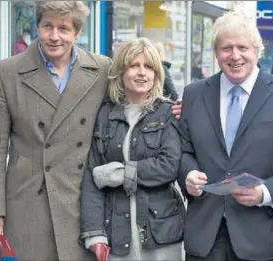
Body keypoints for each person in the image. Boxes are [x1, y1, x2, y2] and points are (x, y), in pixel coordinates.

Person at [0, 1, 110, 260]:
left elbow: (135, 102)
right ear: (37, 26)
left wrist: (177, 107)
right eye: (47, 26)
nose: (54, 36)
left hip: (82, 203)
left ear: (77, 32)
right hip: (27, 203)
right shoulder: (6, 72)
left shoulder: (102, 69)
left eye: (63, 28)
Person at [178, 7, 273, 261]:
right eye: (226, 48)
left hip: (261, 238)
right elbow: (182, 150)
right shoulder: (194, 94)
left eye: (243, 48)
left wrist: (265, 192)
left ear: (257, 51)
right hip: (205, 240)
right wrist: (188, 174)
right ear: (216, 53)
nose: (235, 56)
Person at [79, 37, 184, 261]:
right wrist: (94, 234)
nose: (141, 73)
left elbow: (169, 166)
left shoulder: (167, 113)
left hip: (162, 233)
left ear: (156, 74)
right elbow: (92, 175)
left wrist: (119, 174)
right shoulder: (105, 114)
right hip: (117, 232)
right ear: (121, 71)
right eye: (134, 66)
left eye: (148, 67)